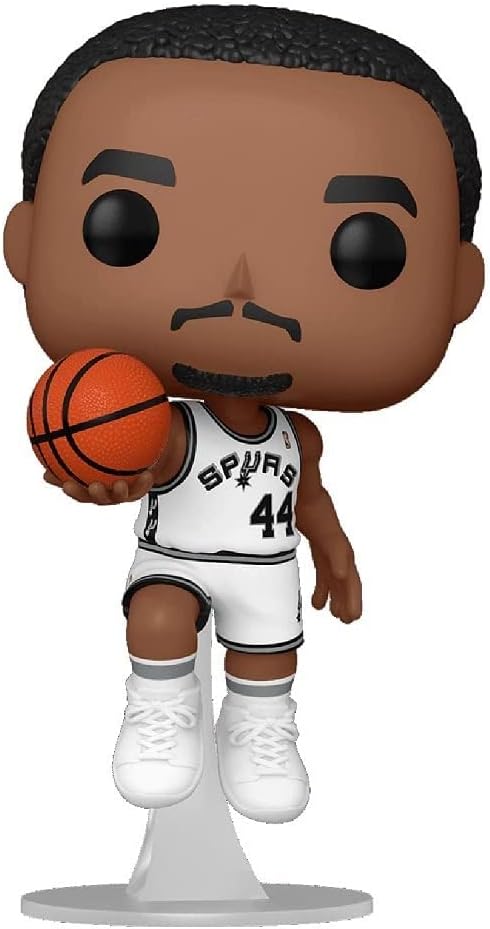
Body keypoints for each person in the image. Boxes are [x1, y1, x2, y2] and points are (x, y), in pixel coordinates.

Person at [4, 5, 483, 822]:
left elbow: (309, 495)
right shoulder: (168, 421)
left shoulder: (300, 435)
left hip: (267, 566)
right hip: (179, 557)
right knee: (157, 613)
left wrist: (335, 552)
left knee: (269, 659)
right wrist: (106, 477)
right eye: (128, 226)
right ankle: (158, 709)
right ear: (24, 241)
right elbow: (145, 459)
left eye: (366, 248)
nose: (240, 287)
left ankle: (262, 726)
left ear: (460, 286)